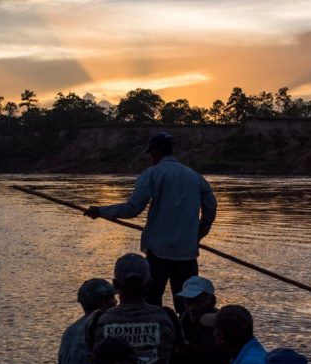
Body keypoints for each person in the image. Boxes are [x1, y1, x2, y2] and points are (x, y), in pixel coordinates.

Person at [84, 131, 217, 314]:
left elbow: (133, 208)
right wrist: (198, 234)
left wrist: (100, 211)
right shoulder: (194, 175)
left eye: (151, 154)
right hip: (187, 254)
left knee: (151, 304)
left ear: (155, 152)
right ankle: (185, 338)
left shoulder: (153, 173)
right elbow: (211, 207)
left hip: (158, 254)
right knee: (187, 306)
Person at [57, 278, 117, 364]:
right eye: (112, 298)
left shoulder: (70, 330)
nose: (116, 302)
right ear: (102, 303)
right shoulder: (103, 328)